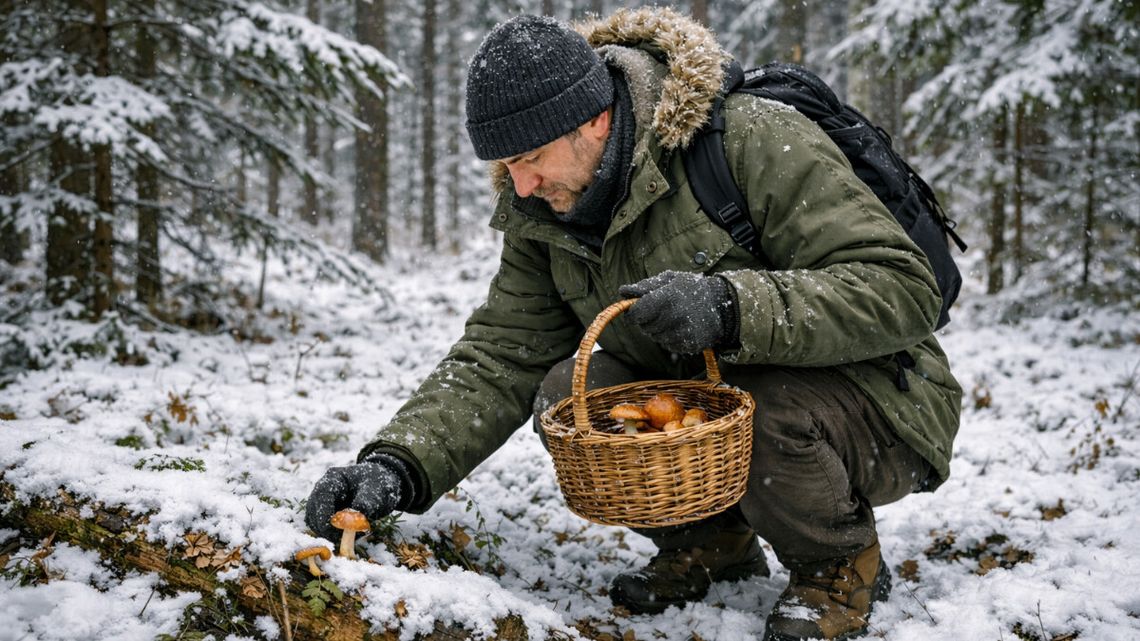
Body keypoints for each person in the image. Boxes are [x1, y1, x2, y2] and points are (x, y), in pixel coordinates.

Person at [305, 8, 962, 641]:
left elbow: (901, 286)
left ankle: (837, 565)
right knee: (572, 393)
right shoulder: (542, 211)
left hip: (880, 401)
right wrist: (397, 464)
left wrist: (732, 307)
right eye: (506, 167)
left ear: (594, 120)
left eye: (532, 157)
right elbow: (500, 354)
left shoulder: (748, 140)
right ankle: (710, 545)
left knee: (759, 401)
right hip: (727, 408)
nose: (522, 185)